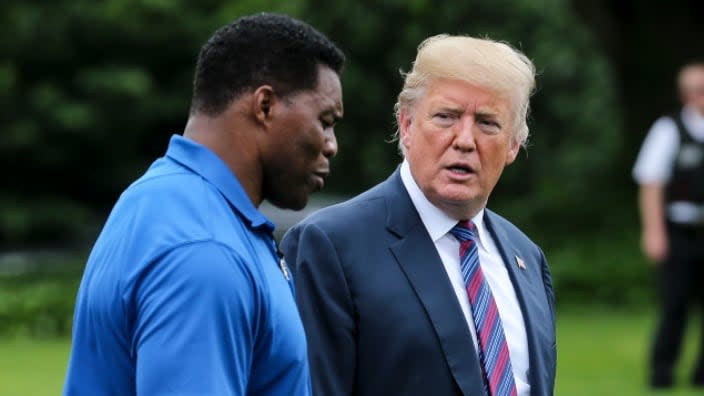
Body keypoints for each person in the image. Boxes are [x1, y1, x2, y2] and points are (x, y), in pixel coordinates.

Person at [63, 13, 344, 395]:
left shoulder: (161, 199)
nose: (331, 144)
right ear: (265, 106)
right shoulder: (204, 248)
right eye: (325, 121)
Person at [281, 34, 556, 396]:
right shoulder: (330, 245)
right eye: (446, 117)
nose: (464, 139)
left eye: (488, 123)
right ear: (407, 125)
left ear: (513, 145)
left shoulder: (528, 258)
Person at [632, 62, 704, 389]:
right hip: (680, 229)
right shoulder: (669, 129)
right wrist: (654, 231)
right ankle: (662, 374)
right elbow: (651, 182)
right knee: (675, 305)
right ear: (686, 95)